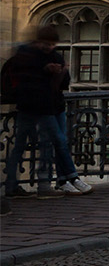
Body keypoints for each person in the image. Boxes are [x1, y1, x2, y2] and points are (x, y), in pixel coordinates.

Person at [2, 24, 90, 197]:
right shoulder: (27, 56)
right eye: (47, 43)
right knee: (55, 141)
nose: (49, 47)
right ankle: (64, 180)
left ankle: (52, 182)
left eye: (52, 44)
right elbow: (27, 81)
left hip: (49, 106)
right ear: (39, 41)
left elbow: (64, 84)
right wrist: (46, 71)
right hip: (38, 107)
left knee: (38, 144)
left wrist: (61, 73)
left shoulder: (53, 56)